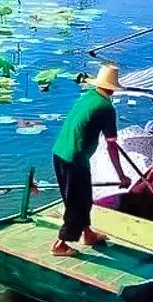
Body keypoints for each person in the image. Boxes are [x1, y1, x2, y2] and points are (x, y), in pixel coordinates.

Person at [51, 64, 132, 257]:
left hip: (59, 152)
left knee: (84, 197)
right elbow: (112, 146)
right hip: (74, 158)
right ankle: (60, 244)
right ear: (112, 88)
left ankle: (87, 234)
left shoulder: (88, 96)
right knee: (76, 202)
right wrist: (121, 176)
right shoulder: (106, 108)